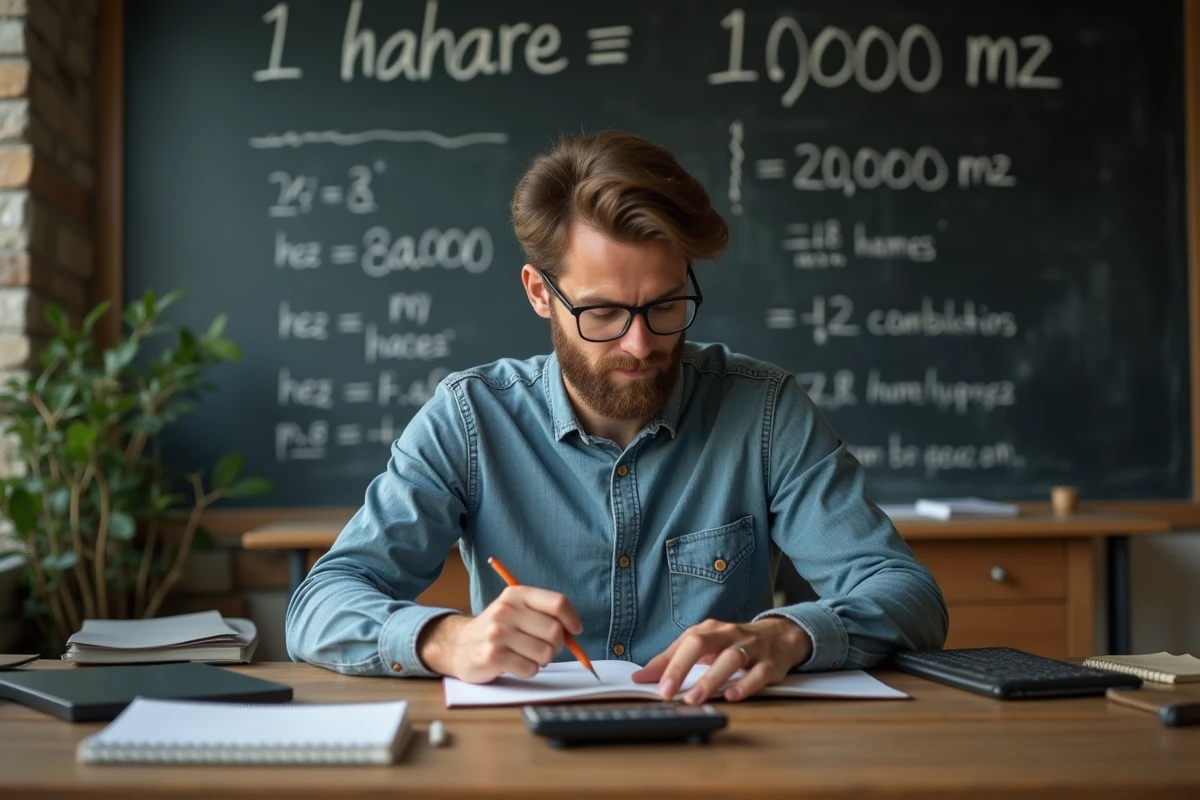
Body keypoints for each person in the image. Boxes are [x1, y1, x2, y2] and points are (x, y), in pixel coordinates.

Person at [285, 130, 948, 705]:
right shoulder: (469, 420)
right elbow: (321, 603)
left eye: (665, 305)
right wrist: (446, 638)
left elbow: (907, 594)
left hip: (721, 757)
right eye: (602, 313)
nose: (640, 345)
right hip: (523, 762)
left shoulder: (764, 411)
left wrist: (783, 634)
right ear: (540, 293)